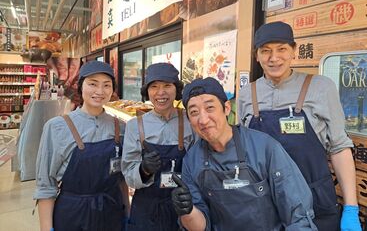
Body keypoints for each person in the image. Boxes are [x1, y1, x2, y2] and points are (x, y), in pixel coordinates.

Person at [238, 21, 361, 231]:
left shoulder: (321, 87)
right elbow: (243, 149)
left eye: (282, 49)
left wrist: (351, 208)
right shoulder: (247, 93)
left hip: (315, 200)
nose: (274, 58)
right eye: (266, 51)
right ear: (256, 55)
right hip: (264, 202)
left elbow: (339, 148)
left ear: (294, 51)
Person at [171, 77, 317, 231]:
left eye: (210, 108)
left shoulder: (264, 148)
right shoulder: (192, 161)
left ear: (226, 108)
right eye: (194, 112)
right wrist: (187, 211)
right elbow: (200, 227)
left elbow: (298, 215)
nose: (203, 119)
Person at [34, 61, 129, 231]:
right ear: (80, 86)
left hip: (111, 211)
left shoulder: (120, 127)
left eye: (106, 85)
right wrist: (47, 229)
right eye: (92, 84)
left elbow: (120, 180)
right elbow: (46, 185)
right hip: (72, 214)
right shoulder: (57, 127)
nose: (99, 91)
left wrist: (127, 216)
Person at [121, 62, 195, 231]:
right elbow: (128, 173)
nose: (161, 93)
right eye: (154, 86)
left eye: (167, 86)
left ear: (176, 89)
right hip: (146, 209)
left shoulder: (190, 121)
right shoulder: (135, 126)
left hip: (182, 206)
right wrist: (144, 170)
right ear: (147, 91)